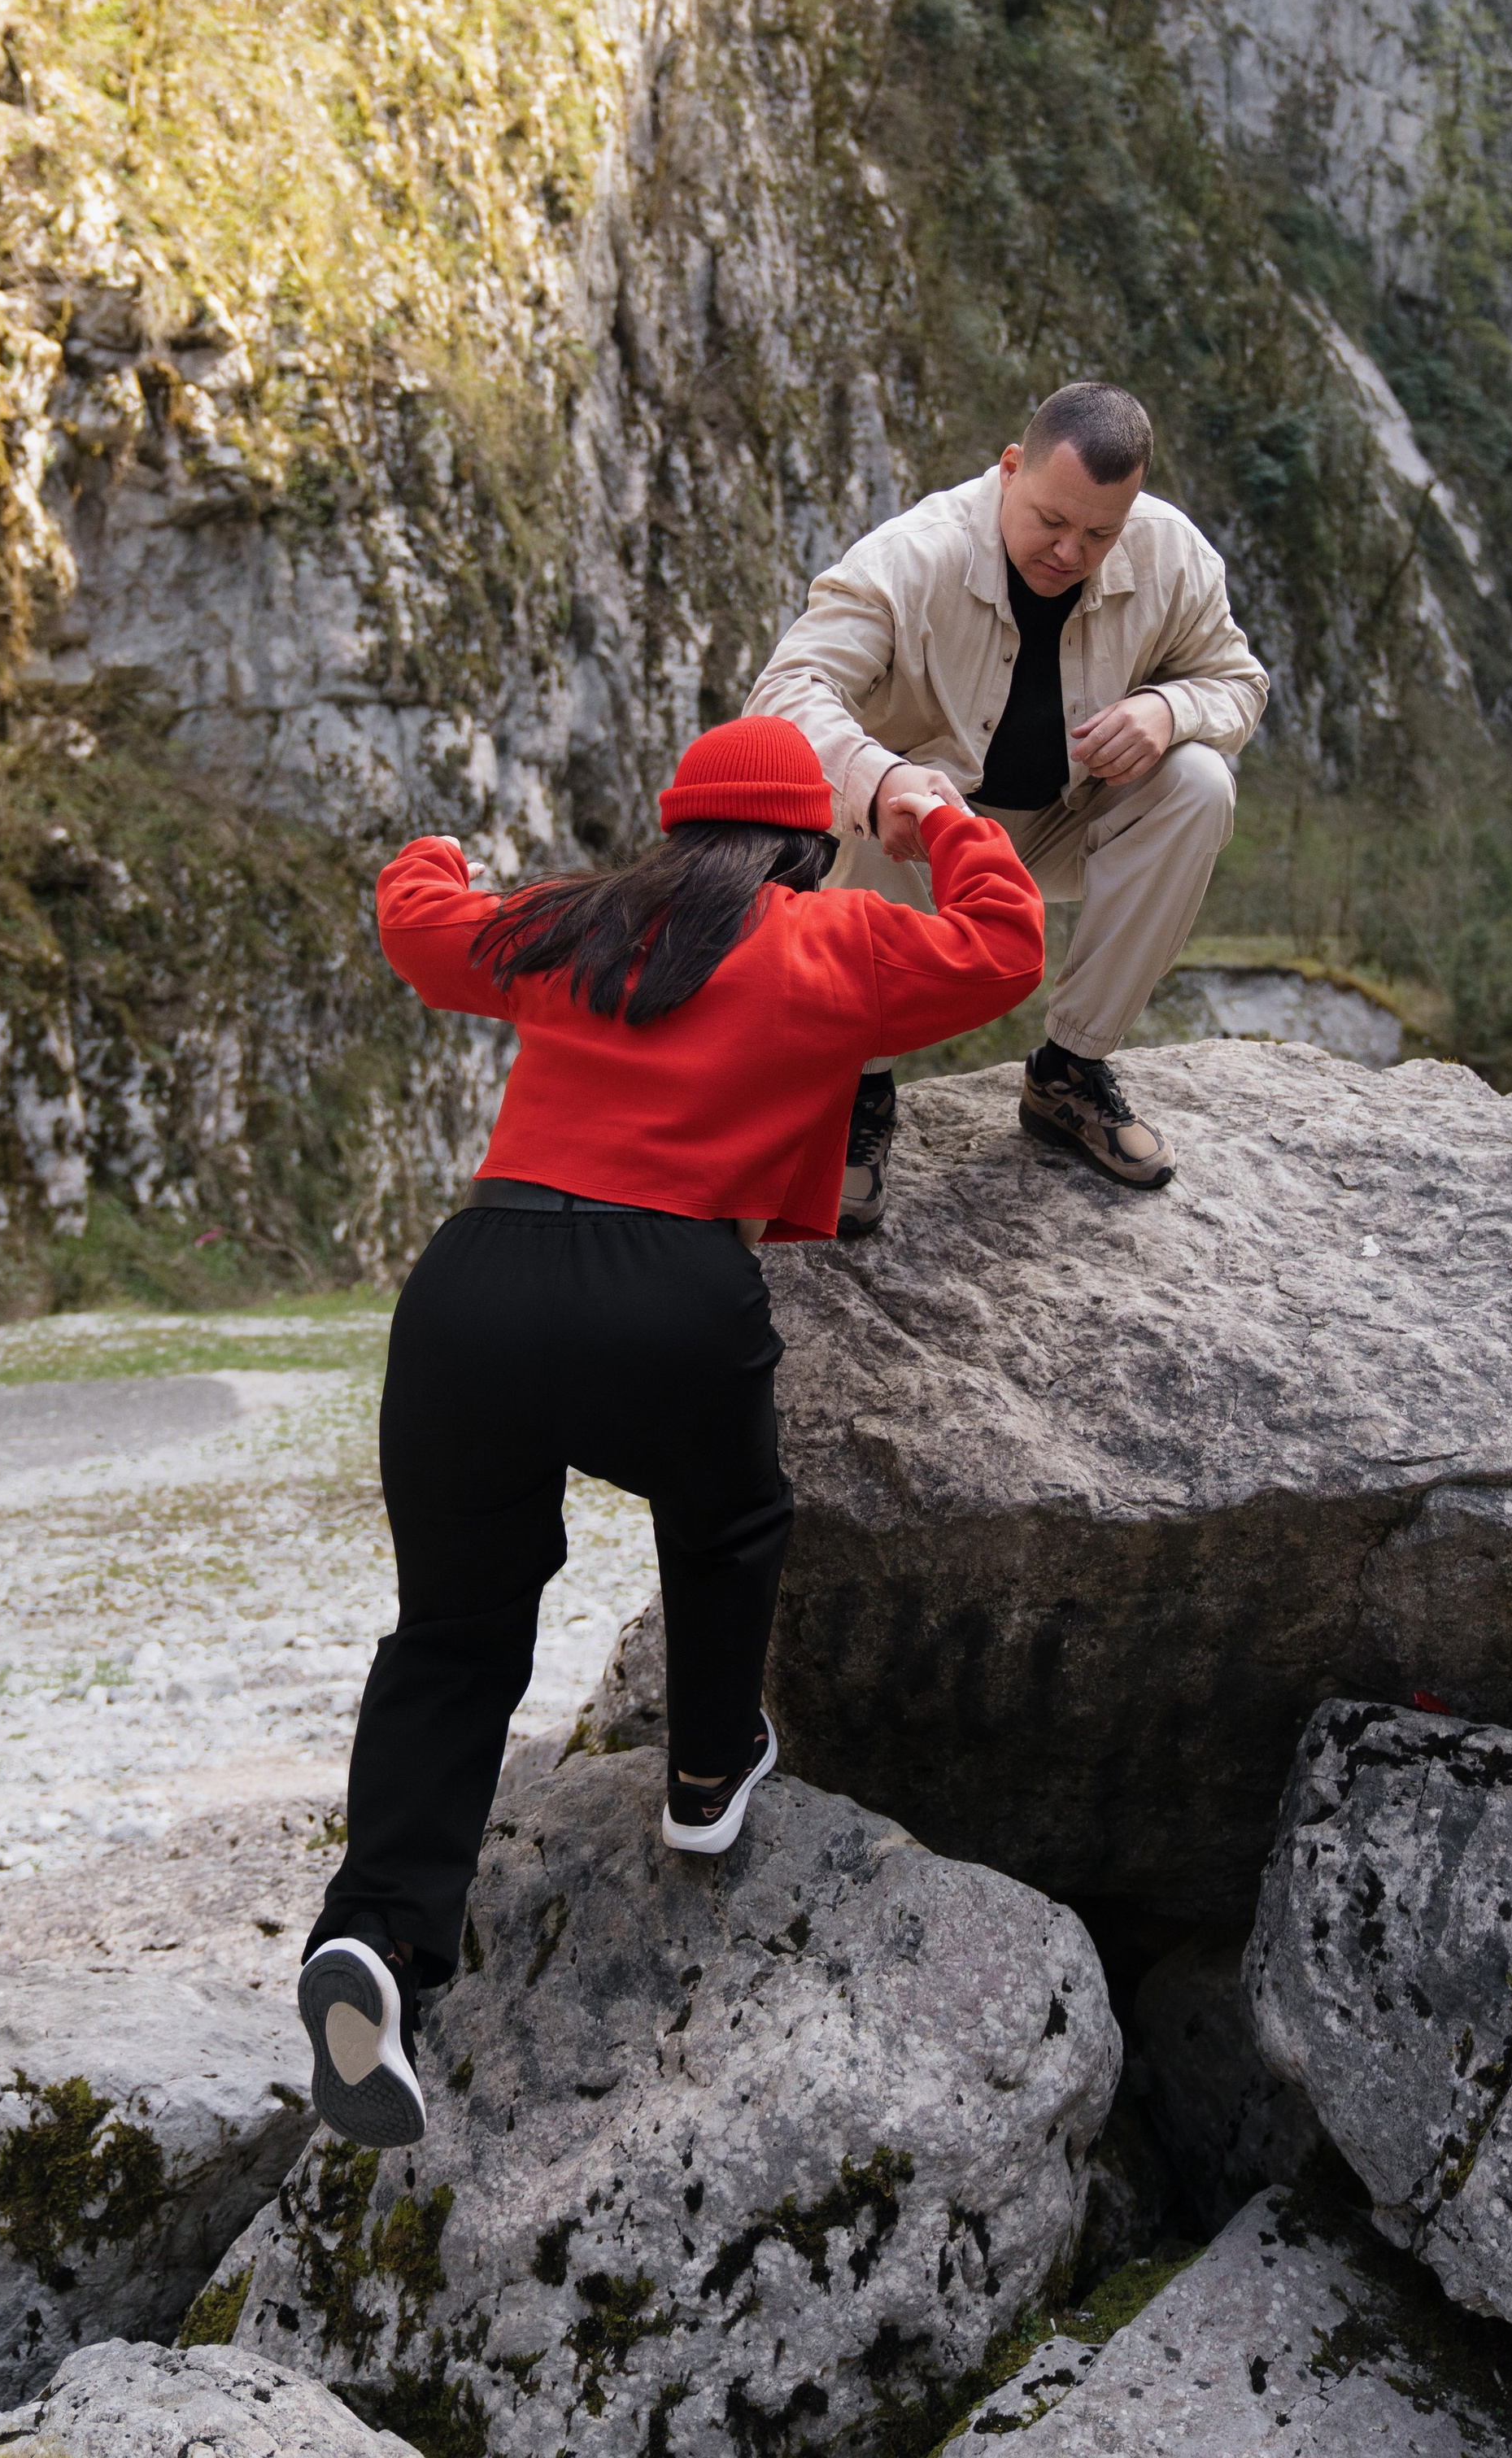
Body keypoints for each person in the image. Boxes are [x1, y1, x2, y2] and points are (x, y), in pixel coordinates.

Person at [295, 713, 1044, 2150]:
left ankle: (377, 1941)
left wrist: (435, 845)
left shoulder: (575, 921)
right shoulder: (828, 939)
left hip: (477, 1287)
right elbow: (1004, 945)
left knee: (452, 1637)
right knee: (728, 1515)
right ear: (802, 846)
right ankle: (708, 1769)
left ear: (673, 830)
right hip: (668, 1288)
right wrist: (940, 818)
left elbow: (418, 922)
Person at [746, 381, 1266, 1229]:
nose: (1069, 551)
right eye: (1050, 521)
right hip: (917, 841)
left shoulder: (1172, 554)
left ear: (1130, 509)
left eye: (1099, 534)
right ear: (1010, 469)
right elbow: (781, 693)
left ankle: (1069, 1071)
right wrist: (879, 780)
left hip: (1069, 823)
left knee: (1201, 779)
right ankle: (858, 1089)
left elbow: (1237, 684)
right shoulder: (911, 556)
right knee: (886, 787)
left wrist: (1169, 711)